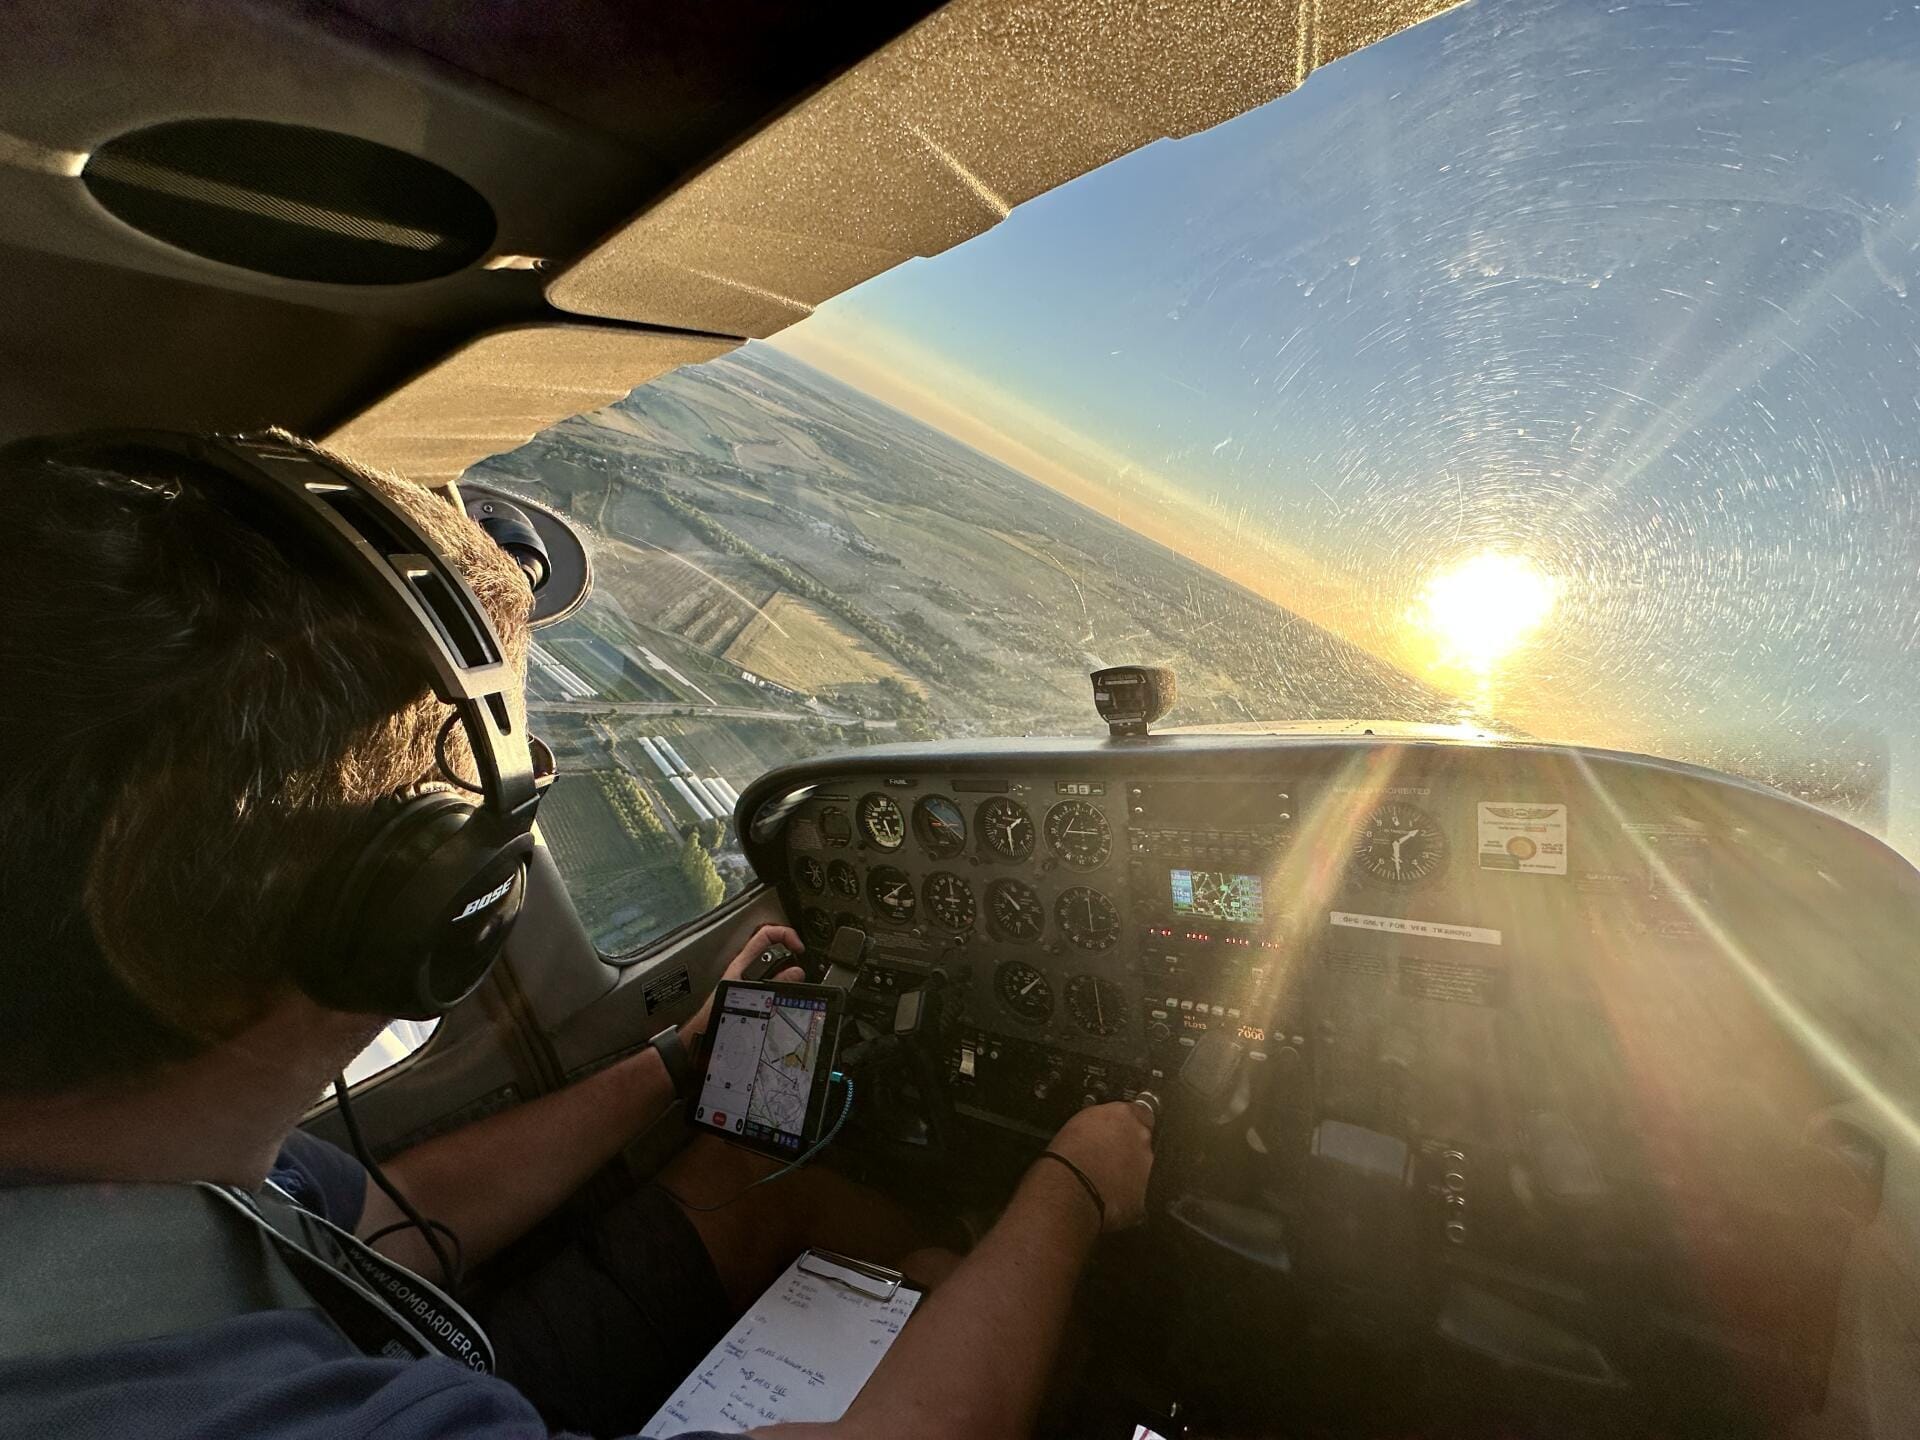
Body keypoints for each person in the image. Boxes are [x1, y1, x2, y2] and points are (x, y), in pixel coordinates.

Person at [0, 432, 1157, 1440]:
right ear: (424, 920)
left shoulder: (129, 1151)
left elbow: (382, 1216)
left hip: (391, 1344)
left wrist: (673, 1061)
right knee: (961, 1276)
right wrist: (1074, 1186)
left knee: (775, 1194)